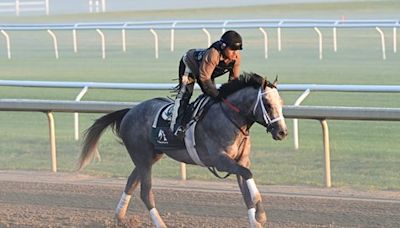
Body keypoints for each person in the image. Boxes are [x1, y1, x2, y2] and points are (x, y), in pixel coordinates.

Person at [170, 30, 243, 137]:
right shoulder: (213, 54)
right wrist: (219, 95)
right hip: (190, 66)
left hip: (206, 72)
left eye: (237, 50)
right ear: (223, 46)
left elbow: (233, 82)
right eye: (232, 49)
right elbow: (204, 80)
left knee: (213, 98)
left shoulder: (236, 58)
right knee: (185, 94)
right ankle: (175, 126)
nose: (235, 53)